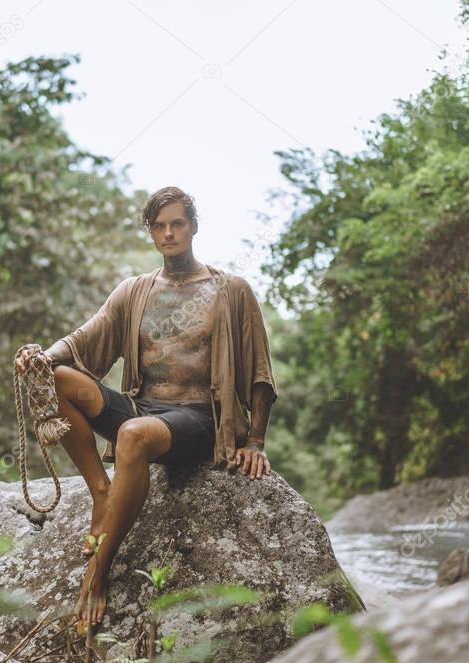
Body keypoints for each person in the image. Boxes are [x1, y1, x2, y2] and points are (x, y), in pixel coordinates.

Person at [15, 186, 278, 629]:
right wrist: (41, 356)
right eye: (159, 226)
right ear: (151, 233)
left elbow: (260, 372)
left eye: (177, 223)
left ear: (193, 227)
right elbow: (82, 339)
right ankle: (102, 492)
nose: (169, 233)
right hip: (141, 406)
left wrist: (255, 440)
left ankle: (98, 574)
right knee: (57, 378)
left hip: (199, 418)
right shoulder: (135, 290)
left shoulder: (230, 291)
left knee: (132, 436)